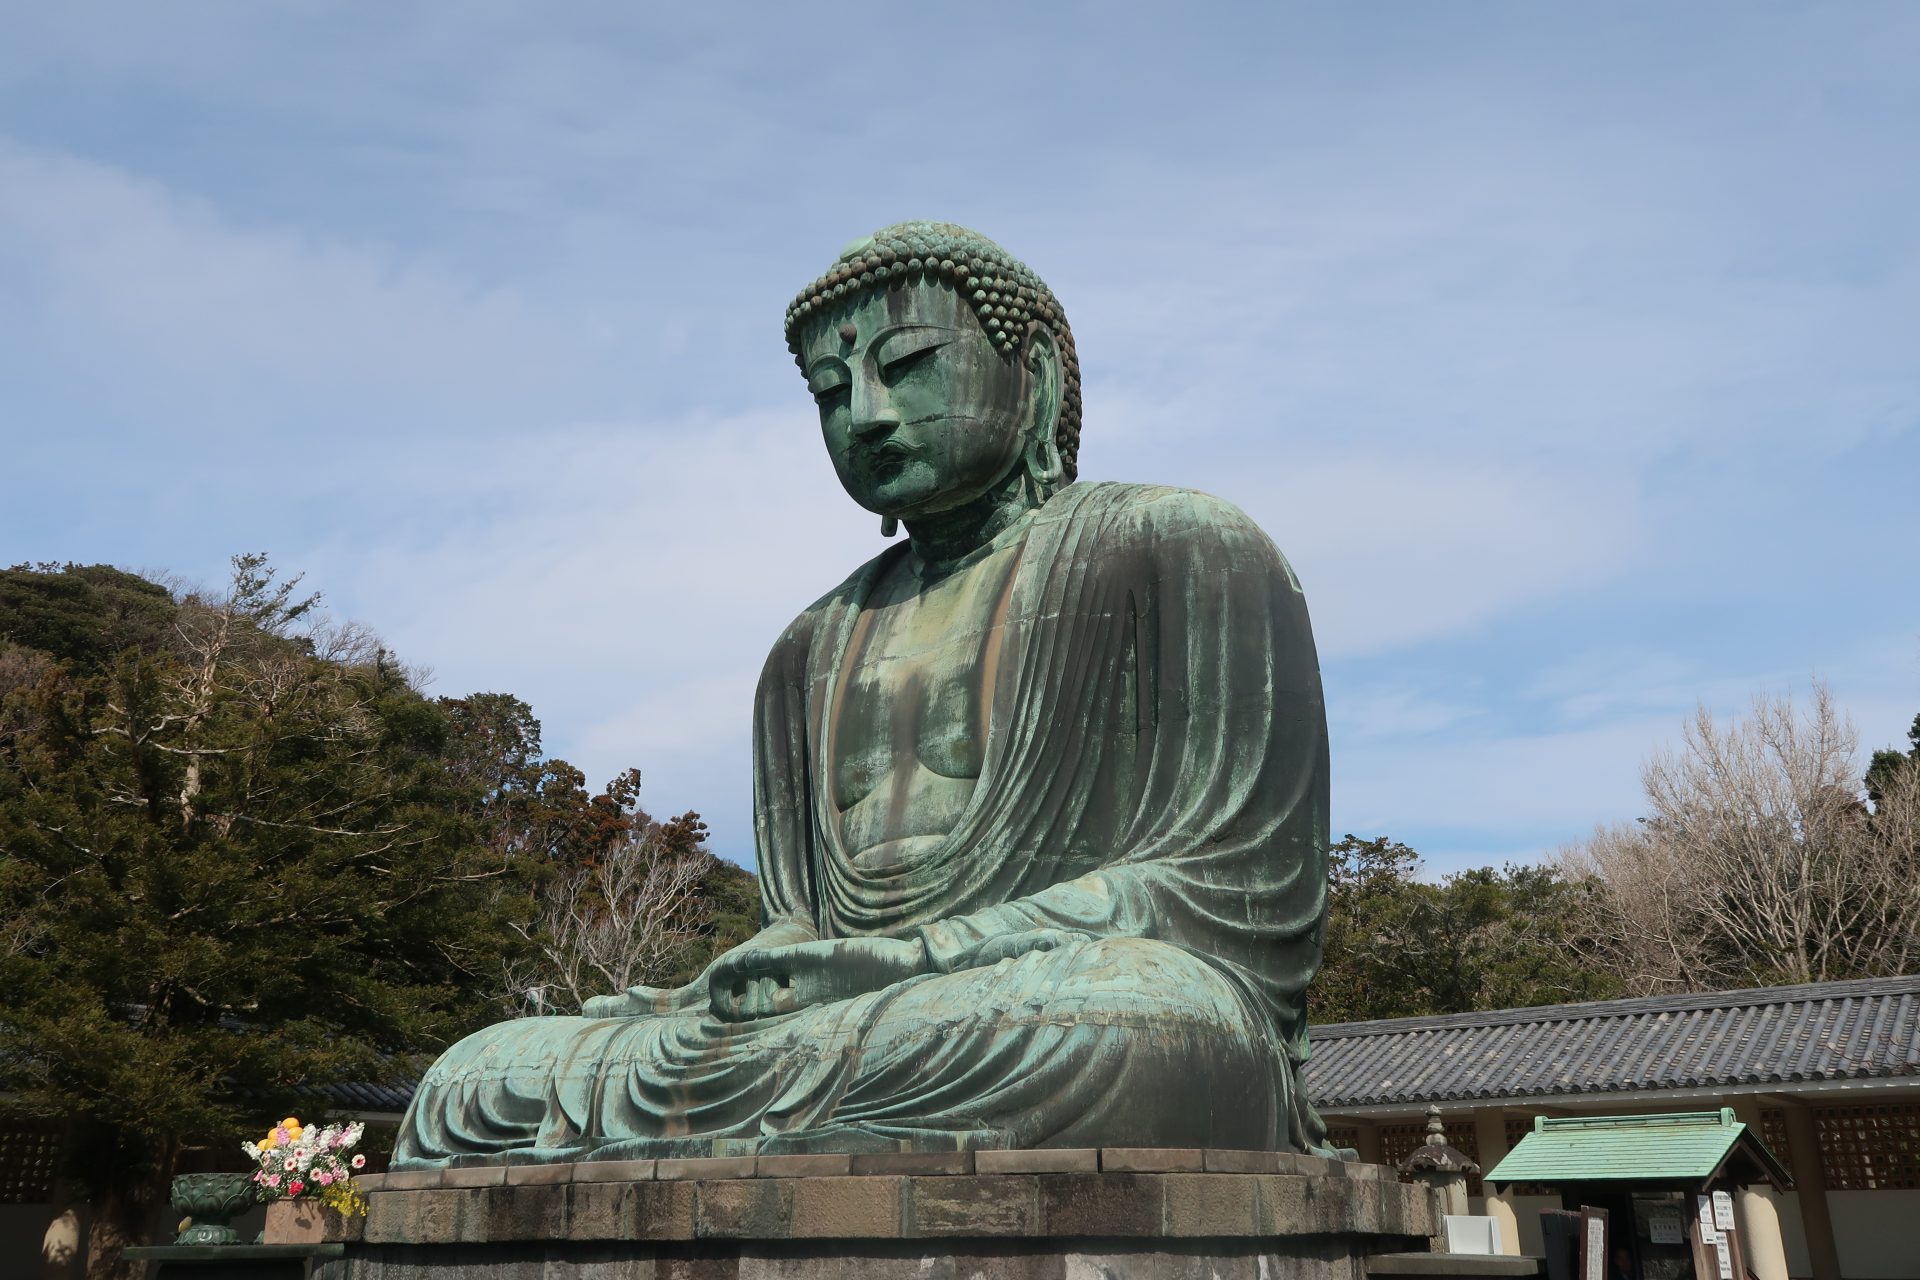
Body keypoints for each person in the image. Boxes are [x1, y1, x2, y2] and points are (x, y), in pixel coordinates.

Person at [393, 222, 1334, 1165]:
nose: (870, 416)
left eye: (911, 363)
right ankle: (787, 1134)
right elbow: (803, 920)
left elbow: (1234, 891)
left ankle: (783, 1132)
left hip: (1054, 996)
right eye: (833, 393)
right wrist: (746, 978)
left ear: (1036, 374)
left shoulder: (1180, 549)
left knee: (1137, 1025)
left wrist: (919, 958)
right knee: (475, 1077)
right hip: (861, 1023)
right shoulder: (809, 646)